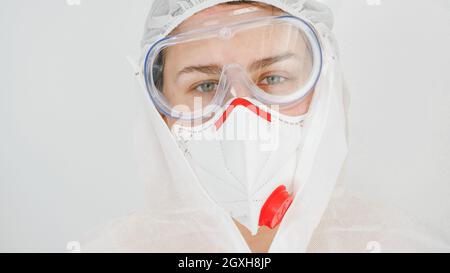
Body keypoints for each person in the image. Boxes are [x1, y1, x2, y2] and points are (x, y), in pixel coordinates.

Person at [82, 0, 449, 253]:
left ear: (326, 94)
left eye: (273, 77)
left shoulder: (399, 245)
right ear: (159, 115)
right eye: (206, 86)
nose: (240, 110)